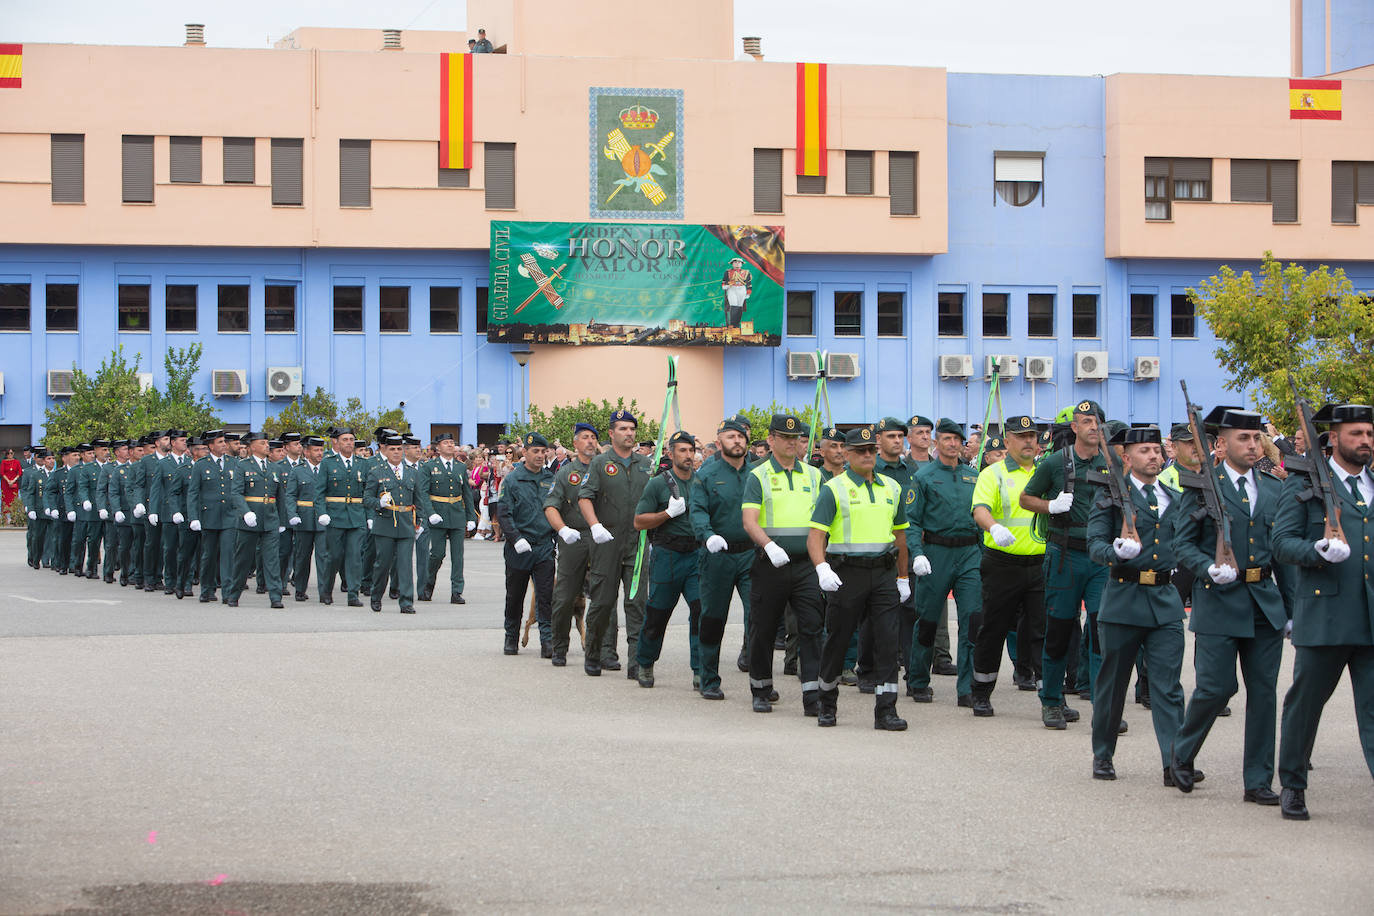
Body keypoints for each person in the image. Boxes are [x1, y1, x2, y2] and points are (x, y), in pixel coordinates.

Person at [1169, 407, 1289, 804]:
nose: (1253, 445)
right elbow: (1182, 544)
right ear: (1221, 444)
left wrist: (1291, 609)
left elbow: (1283, 552)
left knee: (1264, 693)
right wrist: (1207, 568)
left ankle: (1258, 781)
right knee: (1216, 688)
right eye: (1244, 439)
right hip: (1220, 599)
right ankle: (1182, 754)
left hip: (1264, 602)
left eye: (1256, 439)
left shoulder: (1274, 488)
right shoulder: (1202, 486)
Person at [1271, 402, 1374, 821]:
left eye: (1369, 433)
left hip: (1370, 618)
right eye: (1356, 434)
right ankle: (1293, 784)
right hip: (1326, 613)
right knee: (1305, 704)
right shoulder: (1306, 484)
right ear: (1333, 439)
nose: (1365, 441)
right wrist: (1316, 550)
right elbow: (1282, 542)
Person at [1086, 425, 1188, 782]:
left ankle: (1174, 762)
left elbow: (1186, 543)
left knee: (1168, 687)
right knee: (1113, 685)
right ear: (1127, 458)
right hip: (1124, 599)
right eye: (1145, 451)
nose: (1154, 457)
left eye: (1158, 451)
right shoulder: (1112, 496)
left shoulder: (1175, 497)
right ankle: (1103, 754)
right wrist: (1114, 550)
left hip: (1164, 599)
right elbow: (1094, 543)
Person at [809, 424, 911, 731]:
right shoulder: (833, 489)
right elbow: (815, 536)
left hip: (882, 574)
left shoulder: (891, 487)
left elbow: (900, 537)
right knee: (838, 640)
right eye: (860, 451)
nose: (867, 455)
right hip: (846, 574)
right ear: (847, 454)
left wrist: (903, 577)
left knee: (888, 642)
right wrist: (821, 568)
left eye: (871, 450)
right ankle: (826, 703)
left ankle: (886, 710)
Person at [1020, 400, 1107, 729]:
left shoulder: (1111, 463)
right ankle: (1052, 700)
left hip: (1100, 557)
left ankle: (1105, 704)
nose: (1093, 426)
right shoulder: (1055, 462)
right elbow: (1026, 498)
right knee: (1058, 630)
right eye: (1086, 421)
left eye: (1097, 420)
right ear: (1074, 427)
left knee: (1101, 631)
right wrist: (1051, 506)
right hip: (1065, 555)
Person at [742, 414, 825, 715]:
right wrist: (769, 545)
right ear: (772, 440)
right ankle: (761, 688)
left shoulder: (814, 476)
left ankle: (812, 694)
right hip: (771, 562)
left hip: (806, 565)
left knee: (812, 628)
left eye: (796, 438)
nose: (792, 443)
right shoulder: (758, 475)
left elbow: (822, 520)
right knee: (763, 628)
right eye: (785, 437)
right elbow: (749, 520)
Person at [969, 416, 1046, 717]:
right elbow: (980, 510)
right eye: (1021, 436)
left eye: (1032, 436)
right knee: (994, 628)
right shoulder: (994, 474)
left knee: (1043, 630)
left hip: (1041, 562)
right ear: (1008, 440)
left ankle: (1050, 697)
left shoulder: (1046, 471)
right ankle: (981, 691)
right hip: (1003, 562)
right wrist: (993, 528)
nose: (1029, 441)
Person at [908, 418, 982, 707]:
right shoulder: (924, 477)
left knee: (972, 620)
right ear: (936, 444)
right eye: (947, 439)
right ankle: (918, 681)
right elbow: (912, 521)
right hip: (936, 552)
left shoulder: (974, 477)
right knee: (927, 621)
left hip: (969, 554)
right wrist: (917, 553)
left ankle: (967, 687)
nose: (953, 444)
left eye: (957, 439)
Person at [578, 409, 652, 678]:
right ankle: (598, 653)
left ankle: (637, 661)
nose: (629, 433)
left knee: (637, 603)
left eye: (632, 429)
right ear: (611, 433)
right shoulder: (600, 463)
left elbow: (654, 498)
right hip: (606, 543)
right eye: (622, 429)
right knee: (602, 603)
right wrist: (595, 525)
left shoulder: (646, 465)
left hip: (637, 543)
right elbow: (585, 497)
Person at [690, 416, 756, 699]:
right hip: (718, 555)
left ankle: (760, 681)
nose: (737, 441)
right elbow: (697, 510)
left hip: (752, 555)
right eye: (730, 437)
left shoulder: (757, 474)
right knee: (713, 618)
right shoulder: (706, 474)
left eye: (740, 436)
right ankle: (708, 678)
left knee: (758, 618)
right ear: (719, 443)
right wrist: (707, 535)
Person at [632, 431, 701, 686]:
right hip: (667, 555)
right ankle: (646, 663)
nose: (688, 455)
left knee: (701, 611)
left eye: (691, 450)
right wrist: (667, 514)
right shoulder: (658, 484)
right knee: (657, 614)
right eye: (682, 451)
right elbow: (639, 521)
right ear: (671, 454)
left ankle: (700, 668)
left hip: (695, 555)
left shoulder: (700, 482)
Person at [496, 432, 557, 654]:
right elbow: (503, 513)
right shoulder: (512, 479)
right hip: (520, 547)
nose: (540, 455)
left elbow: (556, 510)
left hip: (543, 546)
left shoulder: (550, 479)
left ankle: (547, 640)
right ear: (525, 453)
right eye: (536, 451)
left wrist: (559, 537)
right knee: (515, 595)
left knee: (546, 595)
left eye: (543, 451)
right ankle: (510, 636)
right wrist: (515, 538)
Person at [362, 433, 429, 613]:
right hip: (385, 524)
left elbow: (419, 500)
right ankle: (376, 596)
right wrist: (379, 503)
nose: (396, 452)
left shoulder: (412, 473)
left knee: (405, 565)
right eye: (392, 449)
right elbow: (366, 498)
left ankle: (406, 602)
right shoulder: (377, 471)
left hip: (406, 523)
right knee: (382, 564)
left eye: (399, 449)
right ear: (385, 450)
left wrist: (420, 522)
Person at [224, 432, 285, 608]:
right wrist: (245, 512)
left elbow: (279, 496)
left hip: (270, 519)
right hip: (249, 519)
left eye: (267, 442)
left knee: (272, 559)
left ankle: (275, 596)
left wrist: (282, 521)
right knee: (243, 559)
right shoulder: (242, 466)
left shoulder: (275, 468)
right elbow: (236, 493)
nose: (267, 445)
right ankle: (233, 594)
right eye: (263, 443)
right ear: (252, 446)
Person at [423, 433, 478, 603]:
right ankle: (428, 583)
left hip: (456, 514)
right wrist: (430, 513)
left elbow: (466, 494)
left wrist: (471, 517)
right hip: (438, 514)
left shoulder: (460, 467)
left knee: (458, 555)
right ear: (437, 447)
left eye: (451, 443)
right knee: (437, 554)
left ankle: (456, 591)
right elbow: (423, 493)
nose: (449, 445)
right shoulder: (429, 466)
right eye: (445, 443)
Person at [320, 427, 366, 607]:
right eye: (345, 439)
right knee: (334, 557)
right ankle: (326, 590)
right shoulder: (328, 463)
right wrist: (322, 512)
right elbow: (319, 491)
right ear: (337, 443)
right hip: (335, 515)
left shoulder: (363, 463)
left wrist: (368, 515)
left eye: (351, 439)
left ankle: (353, 594)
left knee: (355, 556)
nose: (349, 442)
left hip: (356, 516)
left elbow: (367, 491)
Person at [187, 430, 234, 603]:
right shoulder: (200, 465)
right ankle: (207, 589)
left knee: (228, 555)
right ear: (211, 445)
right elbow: (193, 493)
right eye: (220, 442)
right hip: (209, 516)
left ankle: (228, 592)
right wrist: (194, 517)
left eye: (224, 441)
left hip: (230, 516)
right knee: (208, 555)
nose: (224, 444)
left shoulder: (233, 463)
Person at [282, 435, 329, 601]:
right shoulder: (298, 470)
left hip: (323, 519)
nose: (319, 453)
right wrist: (292, 515)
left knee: (323, 557)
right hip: (304, 518)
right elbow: (290, 495)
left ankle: (324, 592)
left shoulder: (327, 468)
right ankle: (300, 589)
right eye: (316, 450)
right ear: (307, 452)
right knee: (302, 557)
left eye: (321, 450)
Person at [169, 436, 206, 599]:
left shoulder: (210, 468)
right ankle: (182, 583)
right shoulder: (183, 470)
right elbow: (174, 492)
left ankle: (207, 587)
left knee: (206, 554)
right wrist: (176, 511)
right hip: (188, 516)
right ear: (193, 451)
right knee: (186, 553)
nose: (205, 451)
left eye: (206, 448)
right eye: (202, 449)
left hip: (207, 516)